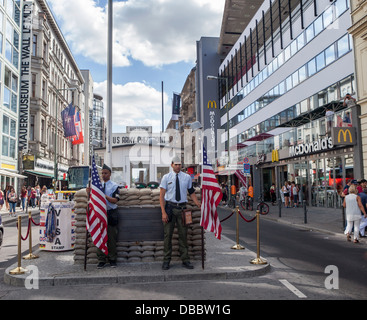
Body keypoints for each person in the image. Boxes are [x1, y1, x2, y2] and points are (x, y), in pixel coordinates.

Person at [160, 156, 201, 270]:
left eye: (179, 164)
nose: (178, 166)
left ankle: (185, 260)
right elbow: (161, 195)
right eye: (176, 164)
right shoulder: (166, 177)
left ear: (181, 165)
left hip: (183, 209)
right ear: (172, 164)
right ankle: (166, 260)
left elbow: (191, 192)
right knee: (168, 235)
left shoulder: (187, 177)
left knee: (183, 236)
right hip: (170, 208)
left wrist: (198, 203)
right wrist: (163, 212)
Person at [87, 164, 120, 269]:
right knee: (100, 236)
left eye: (106, 173)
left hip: (110, 214)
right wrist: (90, 192)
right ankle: (101, 260)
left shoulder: (114, 186)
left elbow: (115, 200)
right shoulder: (97, 185)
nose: (103, 175)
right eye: (102, 173)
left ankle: (112, 259)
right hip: (100, 214)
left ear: (110, 174)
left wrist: (104, 195)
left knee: (111, 239)